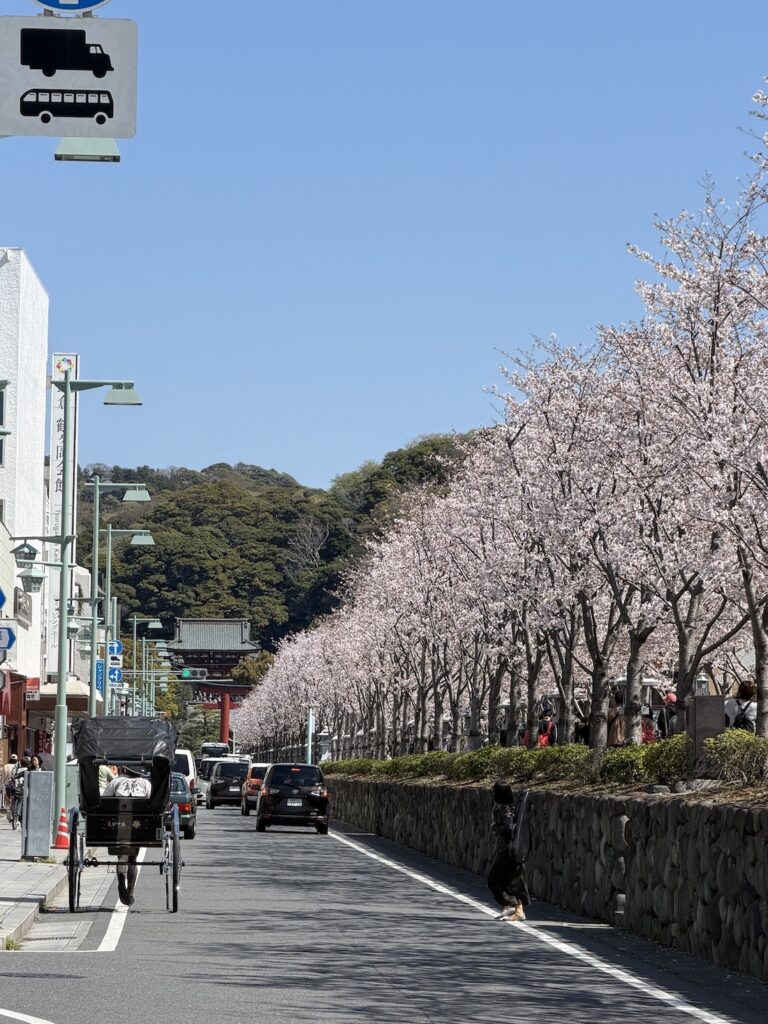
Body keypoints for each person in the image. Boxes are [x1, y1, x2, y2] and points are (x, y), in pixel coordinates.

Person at [487, 781, 530, 922]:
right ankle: (515, 909)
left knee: (494, 879)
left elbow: (508, 827)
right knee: (510, 881)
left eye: (494, 791)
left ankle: (512, 905)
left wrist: (495, 827)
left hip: (508, 850)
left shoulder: (504, 808)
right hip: (510, 849)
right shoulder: (508, 806)